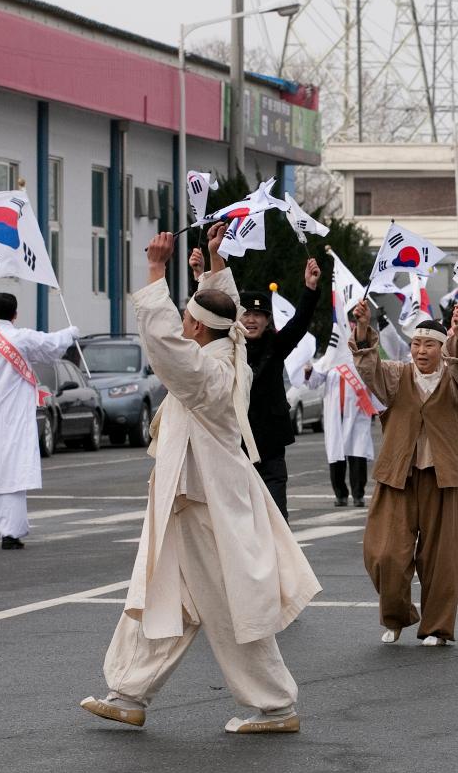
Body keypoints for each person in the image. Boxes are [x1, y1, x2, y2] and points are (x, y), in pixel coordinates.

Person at [80, 227, 319, 733]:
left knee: (229, 608)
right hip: (192, 502)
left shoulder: (207, 374)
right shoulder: (230, 352)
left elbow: (166, 347)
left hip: (206, 506)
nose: (184, 324)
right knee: (167, 595)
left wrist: (154, 274)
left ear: (197, 330)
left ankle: (275, 704)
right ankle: (129, 692)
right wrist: (215, 259)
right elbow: (226, 312)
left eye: (188, 319)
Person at [351, 299, 458, 646]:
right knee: (384, 554)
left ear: (442, 349)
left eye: (429, 345)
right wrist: (363, 328)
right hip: (398, 473)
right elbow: (369, 371)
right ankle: (397, 616)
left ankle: (436, 627)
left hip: (442, 475)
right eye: (416, 344)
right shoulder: (397, 375)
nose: (421, 351)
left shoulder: (455, 381)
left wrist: (457, 335)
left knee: (440, 558)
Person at [0, 293, 79, 549]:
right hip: (11, 417)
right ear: (15, 314)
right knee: (10, 473)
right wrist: (71, 332)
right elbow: (51, 345)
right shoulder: (22, 338)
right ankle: (11, 533)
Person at [237, 256, 322, 520]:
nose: (251, 320)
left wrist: (310, 289)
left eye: (258, 315)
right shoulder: (228, 347)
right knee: (239, 520)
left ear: (266, 320)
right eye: (246, 314)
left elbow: (298, 325)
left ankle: (278, 562)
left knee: (275, 517)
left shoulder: (276, 345)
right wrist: (198, 276)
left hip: (270, 445)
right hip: (235, 444)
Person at [304, 349, 376, 509]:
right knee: (337, 455)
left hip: (357, 415)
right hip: (335, 416)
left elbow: (374, 380)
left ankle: (358, 495)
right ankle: (340, 494)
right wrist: (309, 371)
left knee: (358, 455)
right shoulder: (329, 359)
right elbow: (314, 382)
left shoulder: (361, 359)